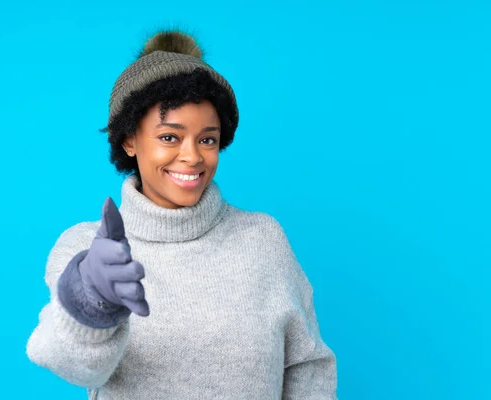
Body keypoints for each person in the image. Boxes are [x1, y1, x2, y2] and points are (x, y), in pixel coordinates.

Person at [26, 29, 338, 399]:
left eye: (207, 139)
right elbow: (68, 364)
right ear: (129, 139)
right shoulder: (86, 248)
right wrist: (91, 299)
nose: (192, 156)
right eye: (170, 137)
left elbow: (307, 365)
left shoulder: (263, 240)